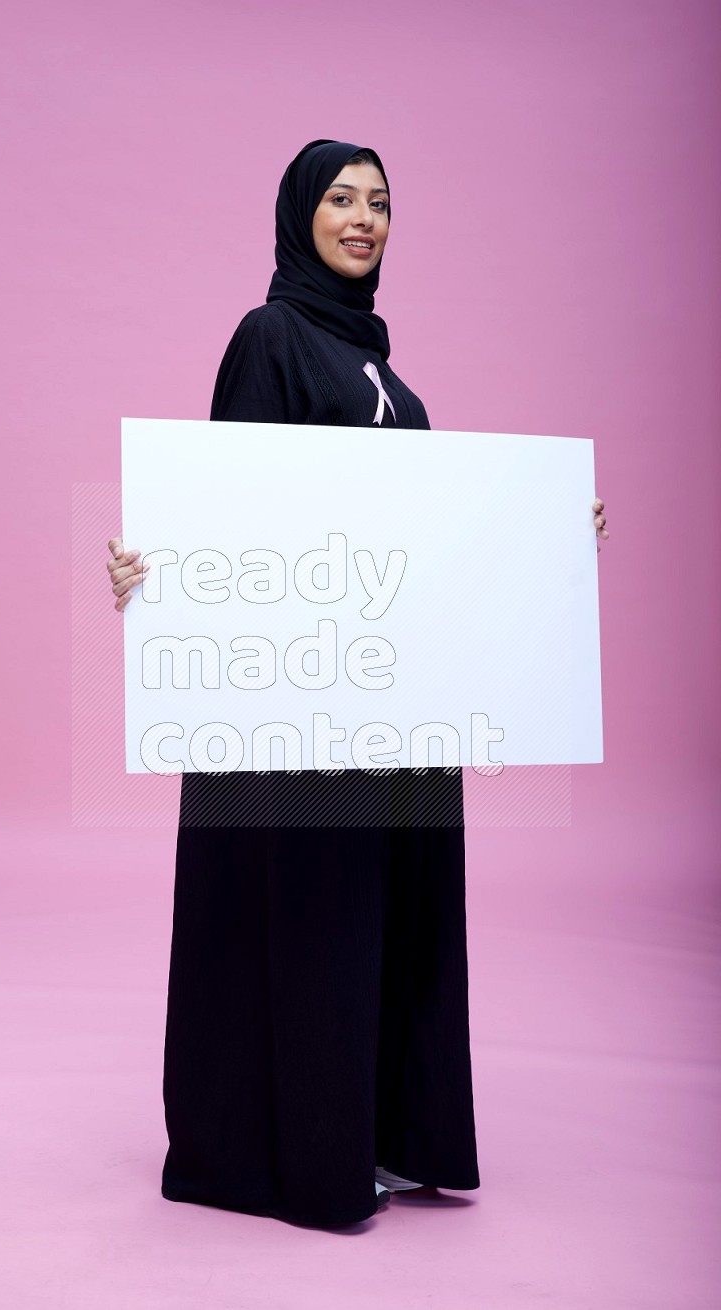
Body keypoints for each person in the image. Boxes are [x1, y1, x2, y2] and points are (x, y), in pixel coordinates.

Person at [106, 139, 610, 1228]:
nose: (363, 218)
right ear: (298, 213)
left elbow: (431, 551)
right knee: (314, 912)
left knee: (395, 909)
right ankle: (290, 1155)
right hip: (303, 716)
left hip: (396, 709)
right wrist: (156, 570)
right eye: (341, 198)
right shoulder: (270, 338)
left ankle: (380, 1130)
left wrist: (552, 537)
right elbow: (230, 506)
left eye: (379, 203)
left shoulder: (397, 385)